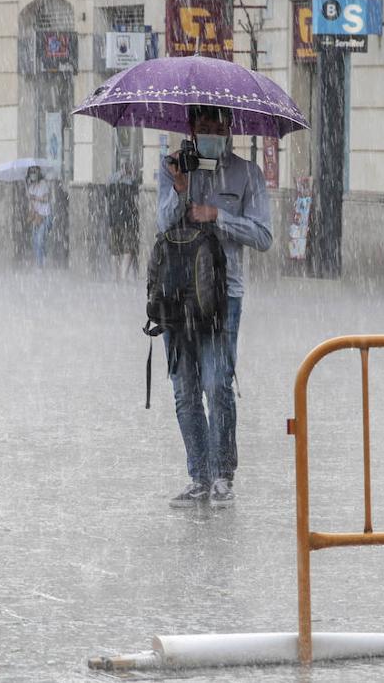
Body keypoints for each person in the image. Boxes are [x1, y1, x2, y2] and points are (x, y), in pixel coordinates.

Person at [158, 105, 272, 508]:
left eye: (217, 126)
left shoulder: (248, 174)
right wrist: (181, 189)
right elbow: (163, 224)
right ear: (190, 127)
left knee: (216, 382)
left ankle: (223, 474)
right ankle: (199, 477)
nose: (210, 132)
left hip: (224, 296)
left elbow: (263, 235)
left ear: (230, 127)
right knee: (185, 390)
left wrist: (218, 216)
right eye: (202, 126)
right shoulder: (172, 167)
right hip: (176, 294)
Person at [107, 154, 141, 280]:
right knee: (125, 248)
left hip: (118, 218)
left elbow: (108, 197)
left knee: (118, 249)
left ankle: (118, 277)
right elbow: (136, 200)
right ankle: (121, 276)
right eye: (125, 166)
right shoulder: (131, 182)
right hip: (124, 219)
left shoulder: (113, 181)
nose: (126, 168)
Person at [25, 165, 54, 268]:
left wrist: (34, 198)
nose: (33, 174)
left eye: (35, 172)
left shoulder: (43, 184)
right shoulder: (30, 188)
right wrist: (32, 211)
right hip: (37, 218)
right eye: (31, 172)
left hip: (46, 216)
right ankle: (42, 260)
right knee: (35, 241)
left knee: (40, 240)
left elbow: (46, 198)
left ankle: (40, 265)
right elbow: (32, 208)